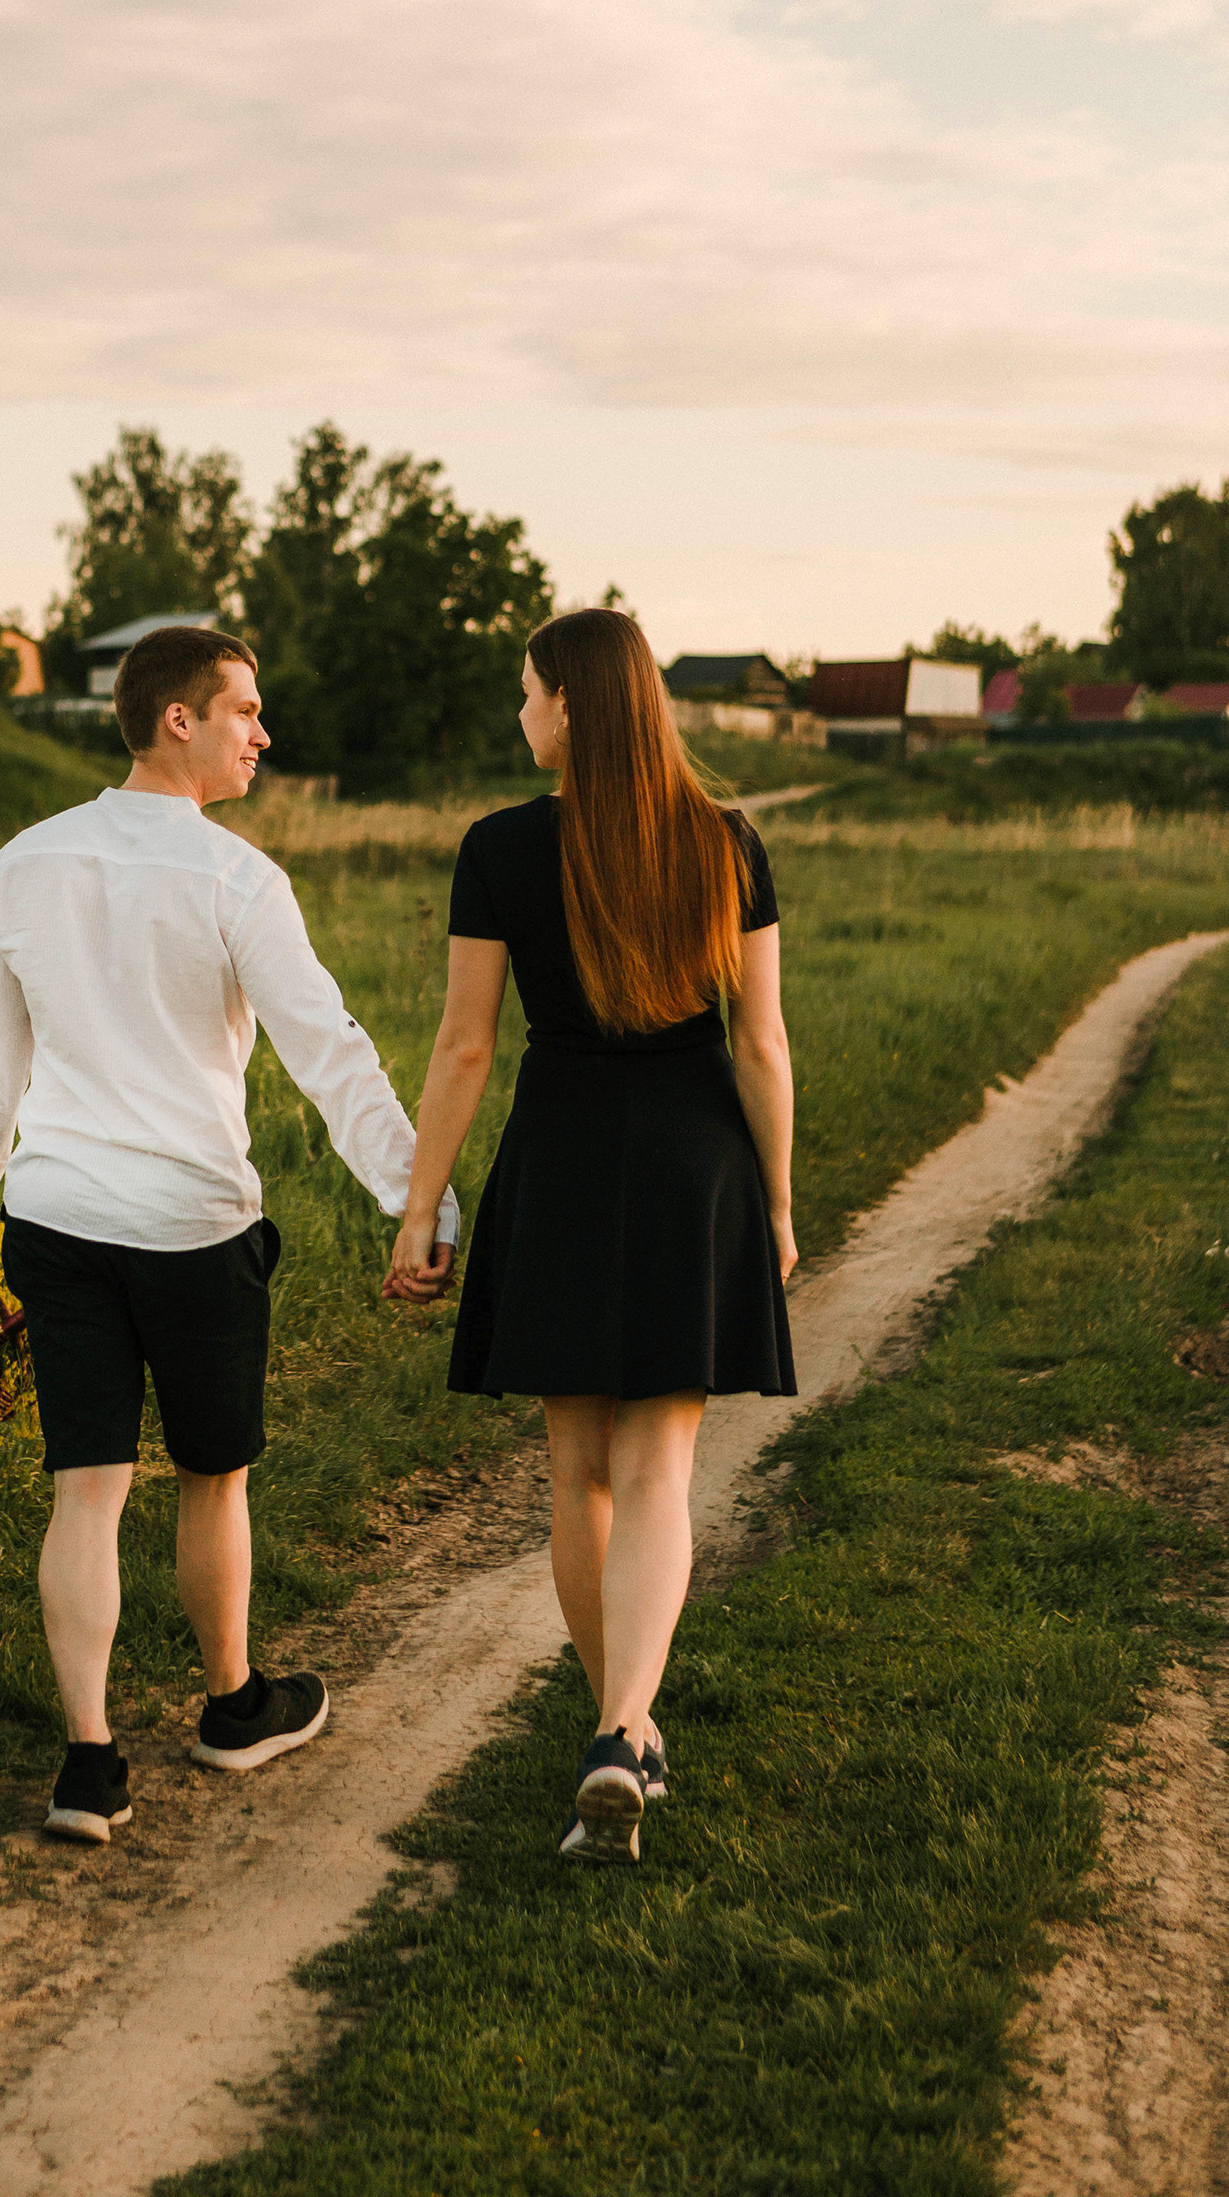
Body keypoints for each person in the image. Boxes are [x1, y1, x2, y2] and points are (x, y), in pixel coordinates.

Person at [0, 624, 460, 1845]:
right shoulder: (234, 880)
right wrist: (417, 1205)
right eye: (245, 711)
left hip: (54, 1221)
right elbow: (330, 1053)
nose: (262, 734)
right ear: (178, 720)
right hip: (194, 1228)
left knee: (86, 1487)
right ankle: (229, 1709)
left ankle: (88, 1767)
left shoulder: (20, 866)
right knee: (213, 1475)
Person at [386, 606, 796, 1866]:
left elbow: (465, 1047)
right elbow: (760, 1043)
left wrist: (419, 1207)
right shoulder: (724, 842)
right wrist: (775, 1204)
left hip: (560, 1158)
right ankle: (626, 1731)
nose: (519, 715)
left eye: (526, 694)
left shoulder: (498, 848)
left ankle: (618, 1726)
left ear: (570, 706)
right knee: (661, 1467)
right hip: (691, 1164)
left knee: (577, 1472)